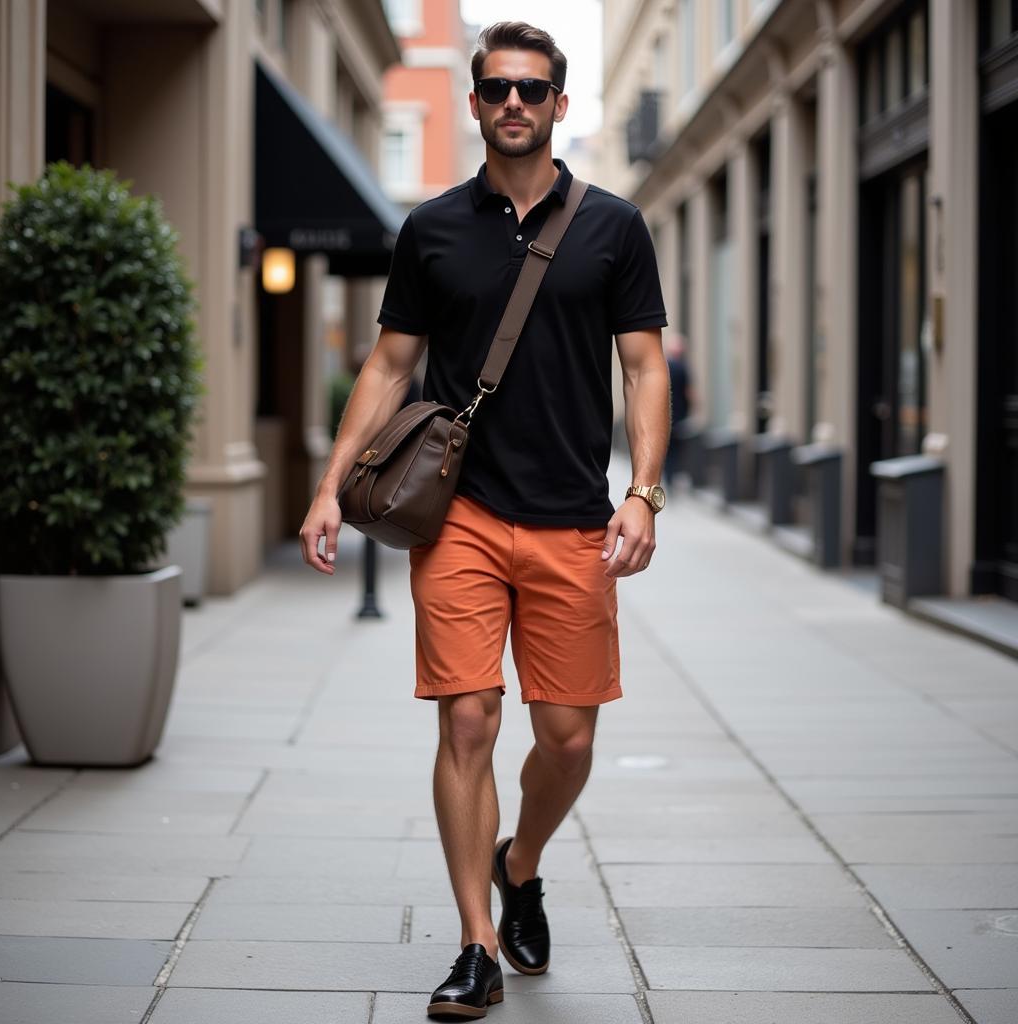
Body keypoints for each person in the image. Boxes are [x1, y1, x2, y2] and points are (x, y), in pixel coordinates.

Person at [299, 21, 670, 1020]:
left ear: (560, 103)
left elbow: (642, 365)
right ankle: (474, 945)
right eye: (496, 88)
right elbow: (386, 364)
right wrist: (331, 483)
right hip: (454, 517)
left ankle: (523, 860)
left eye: (532, 89)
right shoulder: (432, 229)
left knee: (568, 738)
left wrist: (642, 490)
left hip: (570, 520)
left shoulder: (613, 227)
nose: (514, 103)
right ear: (474, 103)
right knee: (467, 718)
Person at [663, 331, 694, 490]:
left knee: (667, 447)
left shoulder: (664, 366)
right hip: (679, 415)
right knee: (675, 448)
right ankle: (671, 476)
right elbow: (689, 392)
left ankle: (668, 476)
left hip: (664, 414)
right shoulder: (683, 367)